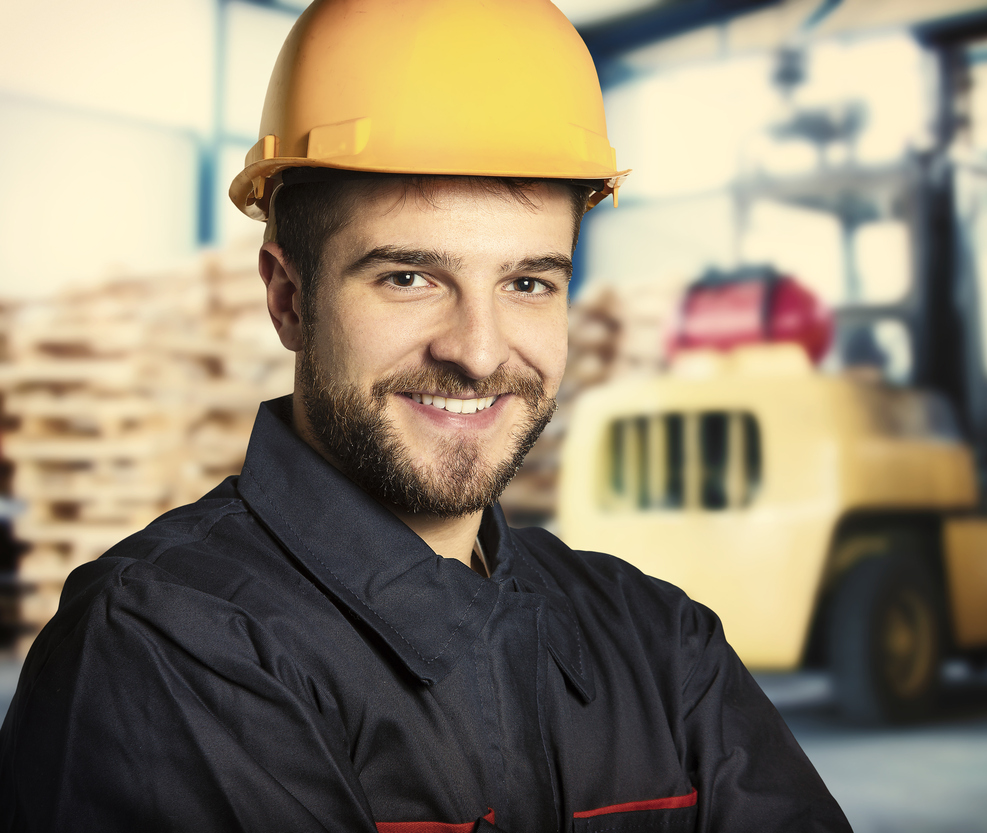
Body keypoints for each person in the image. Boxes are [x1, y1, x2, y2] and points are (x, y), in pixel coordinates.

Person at [0, 1, 850, 830]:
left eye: (527, 282)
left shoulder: (659, 643)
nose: (479, 352)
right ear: (288, 297)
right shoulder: (163, 643)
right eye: (410, 277)